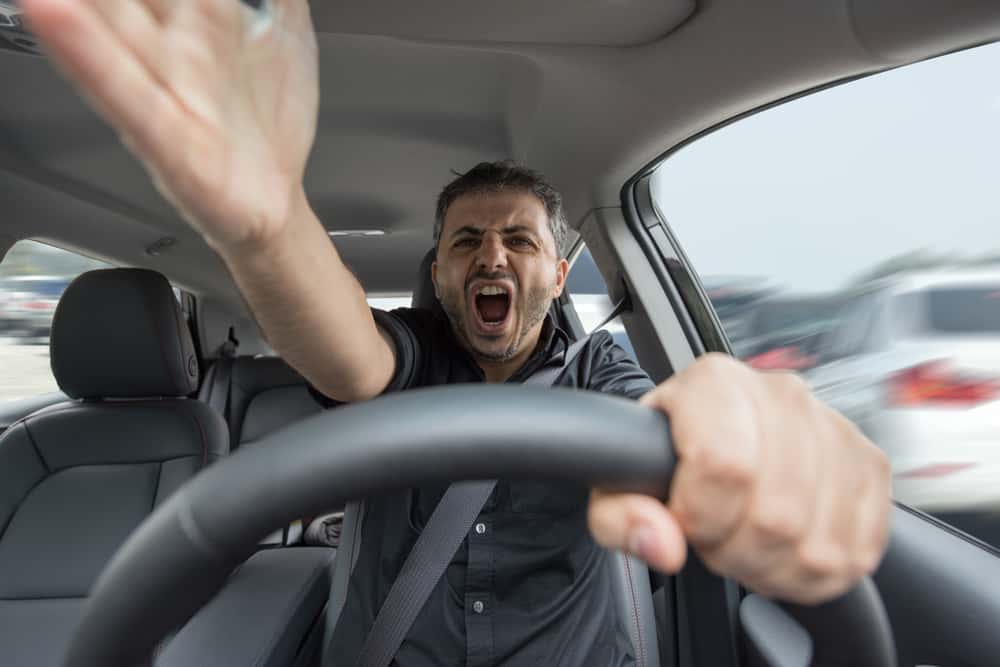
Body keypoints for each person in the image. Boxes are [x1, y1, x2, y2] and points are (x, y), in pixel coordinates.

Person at [20, 0, 892, 664]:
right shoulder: (413, 356)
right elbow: (344, 350)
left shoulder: (598, 367)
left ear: (557, 273)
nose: (493, 258)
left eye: (520, 240)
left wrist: (731, 424)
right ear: (438, 273)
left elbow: (663, 415)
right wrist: (268, 225)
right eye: (466, 241)